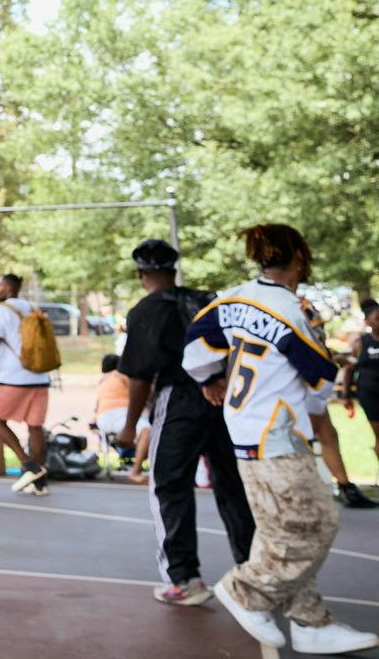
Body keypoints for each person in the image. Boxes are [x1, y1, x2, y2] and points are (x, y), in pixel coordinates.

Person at [184, 224, 378, 655]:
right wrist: (316, 405)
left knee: (277, 530)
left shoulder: (229, 299)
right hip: (278, 430)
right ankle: (246, 589)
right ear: (299, 257)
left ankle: (310, 622)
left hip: (243, 426)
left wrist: (210, 381)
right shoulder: (293, 309)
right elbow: (321, 375)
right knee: (317, 522)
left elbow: (194, 350)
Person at [115, 238, 255, 607]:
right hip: (223, 397)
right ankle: (253, 572)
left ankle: (184, 579)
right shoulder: (207, 300)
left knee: (169, 486)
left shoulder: (145, 311)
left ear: (141, 273)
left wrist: (130, 426)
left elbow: (139, 375)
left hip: (180, 398)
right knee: (232, 484)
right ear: (173, 269)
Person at [298, 295, 378, 509]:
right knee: (308, 437)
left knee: (327, 435)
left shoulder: (301, 305)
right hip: (298, 385)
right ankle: (308, 488)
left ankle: (345, 487)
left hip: (310, 384)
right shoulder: (290, 309)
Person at [0, 273, 51, 496]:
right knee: (35, 427)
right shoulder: (32, 308)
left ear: (6, 288)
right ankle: (40, 482)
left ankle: (28, 464)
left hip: (13, 377)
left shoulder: (1, 311)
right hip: (40, 377)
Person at [94, 354, 149, 483]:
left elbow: (96, 407)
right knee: (146, 431)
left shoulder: (102, 380)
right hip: (118, 414)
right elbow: (138, 392)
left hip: (103, 419)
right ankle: (135, 471)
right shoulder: (121, 375)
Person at [349, 300, 379, 484]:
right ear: (368, 322)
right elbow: (349, 369)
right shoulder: (361, 342)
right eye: (377, 318)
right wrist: (345, 396)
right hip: (370, 395)